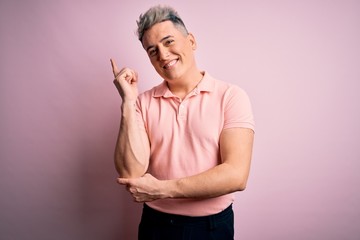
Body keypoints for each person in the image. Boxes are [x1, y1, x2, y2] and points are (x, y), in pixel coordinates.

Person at [110, 5, 255, 240]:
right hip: (155, 225)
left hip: (213, 227)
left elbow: (236, 175)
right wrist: (128, 101)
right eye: (152, 50)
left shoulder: (231, 96)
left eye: (169, 42)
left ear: (192, 41)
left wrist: (163, 189)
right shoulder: (142, 102)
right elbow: (131, 172)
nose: (163, 55)